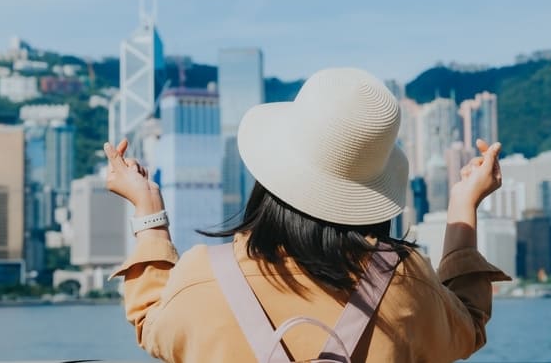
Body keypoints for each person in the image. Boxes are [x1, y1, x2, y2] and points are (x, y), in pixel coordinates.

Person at [105, 68, 510, 363]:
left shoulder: (199, 278)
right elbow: (468, 324)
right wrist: (463, 208)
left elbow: (149, 320)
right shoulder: (408, 283)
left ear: (270, 174)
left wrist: (148, 212)